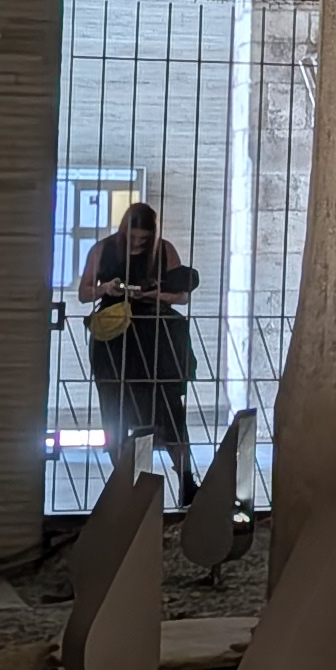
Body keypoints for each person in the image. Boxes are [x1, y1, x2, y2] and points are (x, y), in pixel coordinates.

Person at [76, 198, 202, 501]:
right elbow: (83, 293)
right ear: (124, 231)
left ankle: (186, 480)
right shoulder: (103, 249)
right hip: (116, 338)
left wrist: (159, 294)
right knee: (117, 408)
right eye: (133, 238)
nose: (138, 244)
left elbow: (182, 296)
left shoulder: (163, 250)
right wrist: (107, 289)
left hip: (156, 337)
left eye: (143, 240)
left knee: (169, 409)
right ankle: (126, 486)